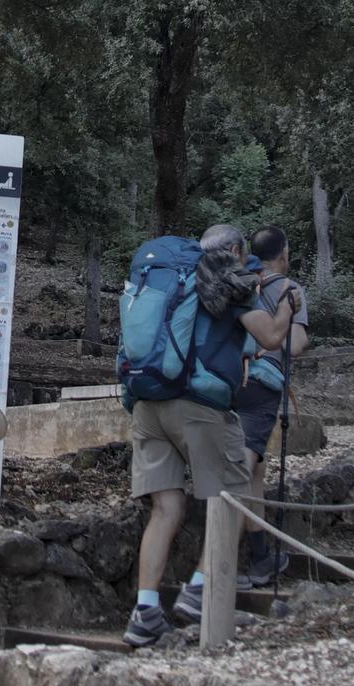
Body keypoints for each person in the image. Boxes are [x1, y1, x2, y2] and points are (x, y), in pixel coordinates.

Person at [123, 223, 302, 648]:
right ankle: (201, 590)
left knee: (165, 509)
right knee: (237, 495)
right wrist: (288, 306)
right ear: (238, 249)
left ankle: (144, 612)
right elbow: (272, 337)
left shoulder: (169, 280)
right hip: (197, 404)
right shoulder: (229, 278)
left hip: (148, 403)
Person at [237, 225, 311, 590]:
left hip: (228, 381)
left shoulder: (239, 281)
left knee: (252, 475)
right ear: (283, 253)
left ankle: (260, 556)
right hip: (262, 387)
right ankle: (215, 568)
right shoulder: (289, 288)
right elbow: (294, 344)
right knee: (243, 469)